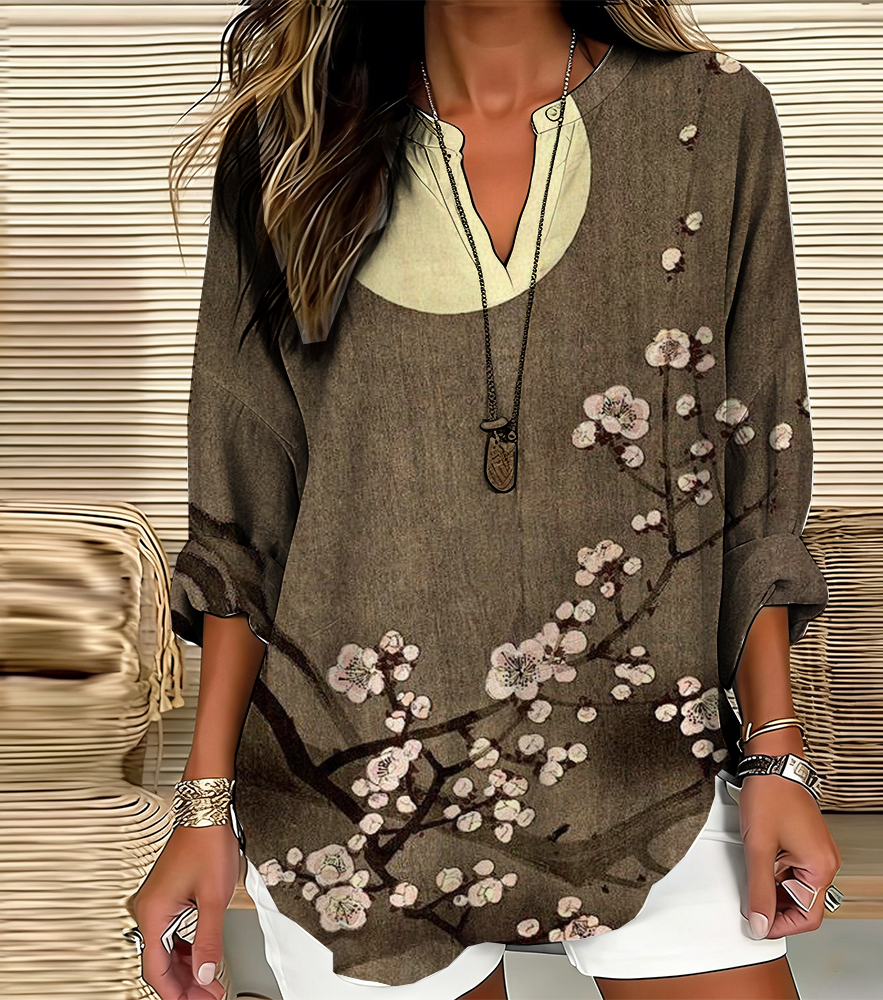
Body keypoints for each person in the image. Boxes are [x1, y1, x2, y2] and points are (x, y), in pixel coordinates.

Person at [127, 2, 843, 998]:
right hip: (354, 783)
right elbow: (246, 513)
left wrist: (775, 756)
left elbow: (746, 467)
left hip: (651, 753)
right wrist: (203, 807)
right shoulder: (290, 141)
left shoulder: (708, 120)